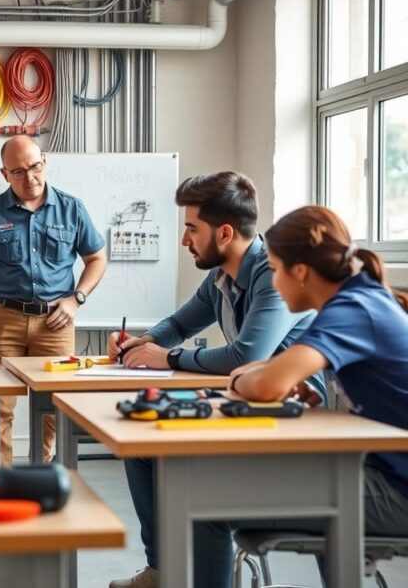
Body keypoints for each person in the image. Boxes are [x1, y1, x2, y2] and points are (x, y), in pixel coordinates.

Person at [109, 171, 325, 588]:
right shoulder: (221, 274)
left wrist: (167, 357)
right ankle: (163, 568)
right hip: (247, 405)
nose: (184, 239)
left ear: (225, 233)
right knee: (142, 447)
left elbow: (247, 355)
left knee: (180, 464)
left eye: (191, 229)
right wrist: (143, 343)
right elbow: (179, 323)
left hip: (289, 419)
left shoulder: (272, 273)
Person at [192, 205, 408, 588]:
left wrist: (248, 378)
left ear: (302, 272)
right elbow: (278, 373)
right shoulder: (358, 300)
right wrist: (274, 376)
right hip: (384, 471)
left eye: (275, 270)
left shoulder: (353, 308)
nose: (273, 283)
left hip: (399, 490)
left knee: (206, 501)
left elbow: (265, 384)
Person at [0, 135, 107, 465]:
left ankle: (42, 477)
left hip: (56, 319)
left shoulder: (72, 209)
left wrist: (76, 299)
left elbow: (97, 258)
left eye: (35, 167)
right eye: (19, 172)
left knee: (52, 408)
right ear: (4, 174)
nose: (30, 178)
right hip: (4, 318)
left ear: (45, 161)